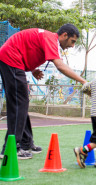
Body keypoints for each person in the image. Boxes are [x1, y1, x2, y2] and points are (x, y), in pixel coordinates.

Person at [0, 24, 87, 159]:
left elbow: (28, 47)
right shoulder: (51, 39)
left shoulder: (48, 38)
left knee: (21, 104)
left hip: (13, 60)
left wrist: (33, 70)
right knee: (19, 104)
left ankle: (26, 142)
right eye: (72, 41)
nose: (72, 46)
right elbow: (60, 66)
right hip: (11, 59)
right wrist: (84, 82)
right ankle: (11, 148)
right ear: (64, 35)